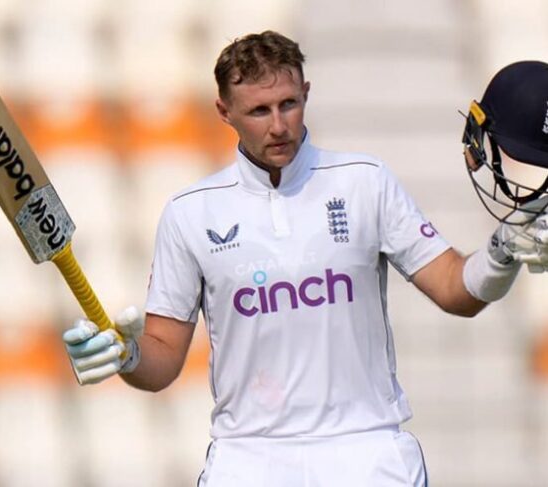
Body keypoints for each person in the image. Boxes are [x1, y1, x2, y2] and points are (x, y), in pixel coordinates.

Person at [63, 32, 548, 486]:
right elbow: (164, 358)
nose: (278, 126)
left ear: (306, 93)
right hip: (248, 459)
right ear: (224, 111)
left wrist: (501, 251)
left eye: (289, 104)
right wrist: (126, 355)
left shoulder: (364, 182)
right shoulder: (190, 212)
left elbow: (454, 290)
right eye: (259, 110)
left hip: (368, 453)